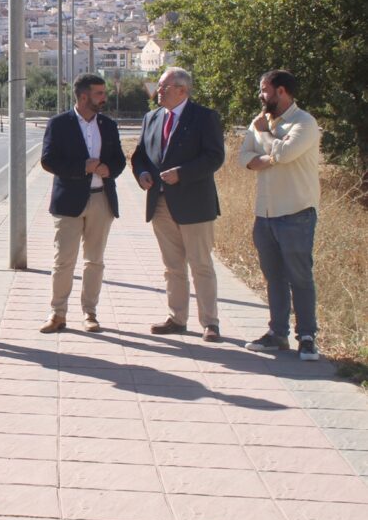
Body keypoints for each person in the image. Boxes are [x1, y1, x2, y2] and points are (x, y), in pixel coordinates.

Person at [131, 67, 225, 342]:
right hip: (160, 203)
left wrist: (182, 173)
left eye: (164, 87)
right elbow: (139, 155)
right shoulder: (151, 118)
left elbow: (214, 157)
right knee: (172, 266)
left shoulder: (204, 117)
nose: (158, 91)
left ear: (182, 90)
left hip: (194, 204)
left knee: (201, 265)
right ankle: (177, 318)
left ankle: (210, 323)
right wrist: (141, 173)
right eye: (159, 86)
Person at [240, 70, 321, 360]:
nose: (260, 95)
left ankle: (307, 337)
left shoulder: (304, 122)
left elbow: (285, 154)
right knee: (273, 277)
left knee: (300, 277)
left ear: (281, 91)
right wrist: (269, 157)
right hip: (264, 213)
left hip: (296, 212)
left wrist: (265, 136)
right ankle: (277, 334)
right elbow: (244, 158)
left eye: (264, 89)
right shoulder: (260, 121)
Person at [39, 74, 126, 333]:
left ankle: (90, 313)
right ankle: (57, 314)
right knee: (63, 261)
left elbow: (119, 160)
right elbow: (48, 160)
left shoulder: (108, 125)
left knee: (94, 261)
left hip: (101, 200)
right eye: (100, 93)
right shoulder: (59, 124)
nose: (104, 98)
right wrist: (82, 167)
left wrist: (110, 169)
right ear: (84, 96)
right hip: (68, 202)